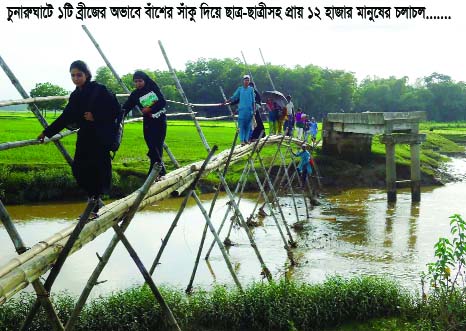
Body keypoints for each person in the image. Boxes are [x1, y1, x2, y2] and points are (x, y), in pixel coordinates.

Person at [37, 60, 119, 218]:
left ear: (87, 74)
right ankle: (93, 200)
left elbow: (115, 110)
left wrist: (96, 116)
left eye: (79, 75)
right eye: (73, 75)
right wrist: (47, 132)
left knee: (97, 170)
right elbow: (65, 117)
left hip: (101, 136)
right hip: (86, 135)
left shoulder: (100, 90)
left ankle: (94, 205)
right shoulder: (75, 95)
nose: (76, 78)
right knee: (79, 168)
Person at [122, 71, 167, 179]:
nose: (138, 83)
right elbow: (126, 107)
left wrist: (150, 109)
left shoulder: (153, 89)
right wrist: (119, 116)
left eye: (140, 81)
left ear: (145, 81)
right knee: (151, 145)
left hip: (159, 120)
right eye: (136, 81)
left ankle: (156, 171)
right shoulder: (135, 95)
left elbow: (162, 102)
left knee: (158, 145)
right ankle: (160, 169)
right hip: (148, 123)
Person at [226, 75, 255, 145]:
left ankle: (246, 139)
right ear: (243, 81)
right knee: (241, 126)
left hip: (249, 110)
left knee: (248, 126)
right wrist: (228, 100)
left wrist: (254, 111)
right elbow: (234, 96)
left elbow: (253, 101)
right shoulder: (240, 89)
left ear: (249, 81)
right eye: (245, 80)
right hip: (241, 110)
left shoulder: (251, 89)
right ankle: (242, 140)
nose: (246, 81)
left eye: (248, 80)